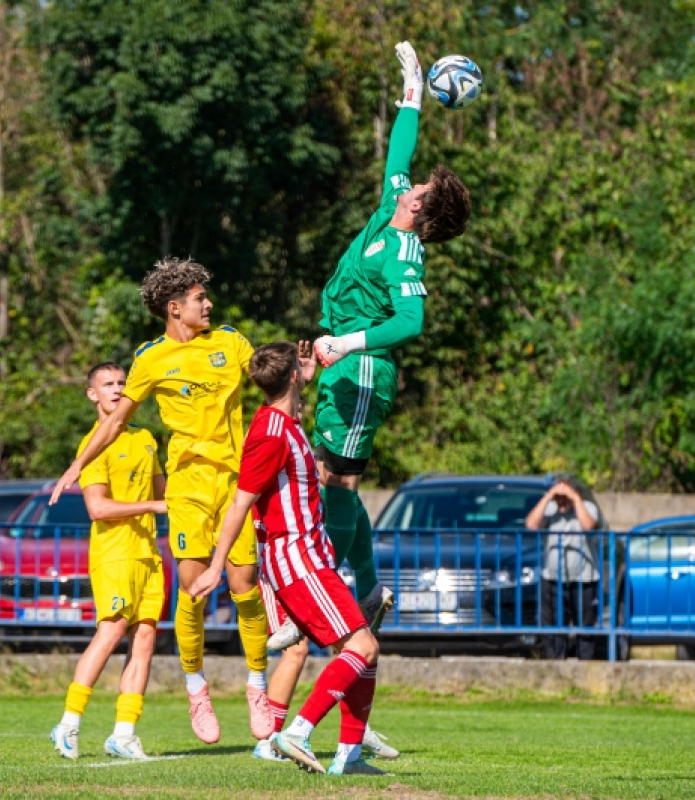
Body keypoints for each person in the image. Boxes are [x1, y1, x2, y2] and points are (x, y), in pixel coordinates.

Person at [49, 258, 272, 746]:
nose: (208, 304)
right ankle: (197, 688)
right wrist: (74, 465)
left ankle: (258, 685)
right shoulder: (150, 358)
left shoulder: (230, 342)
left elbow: (267, 377)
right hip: (187, 488)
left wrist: (297, 367)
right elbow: (111, 423)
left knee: (245, 586)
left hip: (236, 484)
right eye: (199, 298)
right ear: (175, 308)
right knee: (193, 592)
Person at [302, 40, 472, 637]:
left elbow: (411, 323)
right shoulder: (388, 211)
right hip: (341, 362)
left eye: (419, 190)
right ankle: (368, 587)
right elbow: (398, 151)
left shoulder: (407, 254)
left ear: (421, 212)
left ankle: (326, 589)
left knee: (335, 480)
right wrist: (412, 91)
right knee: (332, 479)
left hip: (363, 367)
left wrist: (348, 344)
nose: (410, 186)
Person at [191, 341, 385, 776]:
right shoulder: (269, 433)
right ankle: (295, 732)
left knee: (363, 652)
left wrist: (304, 380)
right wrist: (217, 566)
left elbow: (290, 412)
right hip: (296, 557)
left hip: (309, 556)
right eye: (298, 370)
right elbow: (240, 505)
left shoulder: (282, 418)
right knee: (363, 645)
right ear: (292, 377)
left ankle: (349, 756)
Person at [51, 362, 168, 761]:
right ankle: (68, 723)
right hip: (114, 553)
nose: (117, 390)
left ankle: (124, 733)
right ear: (92, 394)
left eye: (122, 383)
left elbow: (164, 492)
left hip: (149, 554)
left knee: (146, 638)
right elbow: (97, 508)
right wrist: (156, 504)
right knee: (112, 630)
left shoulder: (147, 437)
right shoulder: (92, 446)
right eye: (108, 384)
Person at [253, 578, 399, 763]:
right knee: (297, 650)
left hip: (313, 575)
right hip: (289, 575)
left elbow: (359, 555)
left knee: (358, 645)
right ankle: (271, 739)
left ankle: (354, 740)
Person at [525, 478, 601, 660]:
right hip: (552, 578)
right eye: (558, 498)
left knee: (585, 628)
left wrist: (574, 498)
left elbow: (589, 526)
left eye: (564, 497)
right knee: (552, 628)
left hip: (584, 579)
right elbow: (531, 525)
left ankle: (585, 668)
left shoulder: (587, 507)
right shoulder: (550, 510)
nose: (561, 501)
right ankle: (554, 665)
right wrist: (549, 496)